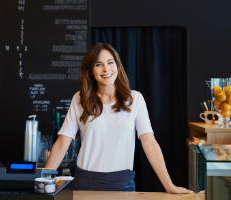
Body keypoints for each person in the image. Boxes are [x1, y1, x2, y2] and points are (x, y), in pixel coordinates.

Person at [45, 42, 193, 193]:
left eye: (110, 62)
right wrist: (44, 181)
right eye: (98, 64)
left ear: (117, 66)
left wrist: (169, 186)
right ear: (90, 70)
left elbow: (150, 144)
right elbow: (63, 142)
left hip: (122, 184)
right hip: (85, 182)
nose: (106, 69)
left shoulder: (135, 99)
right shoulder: (80, 99)